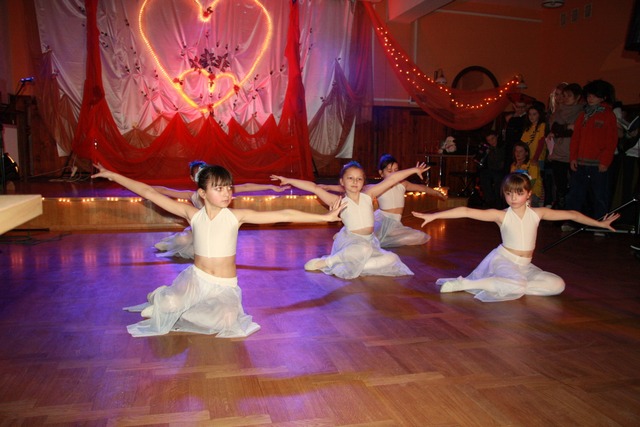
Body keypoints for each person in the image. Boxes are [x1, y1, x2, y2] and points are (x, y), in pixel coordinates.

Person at [91, 163, 344, 337]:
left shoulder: (236, 216)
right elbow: (148, 192)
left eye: (228, 187)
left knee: (227, 319)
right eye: (219, 188)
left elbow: (284, 214)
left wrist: (324, 218)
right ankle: (164, 302)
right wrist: (113, 175)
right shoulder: (192, 214)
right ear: (202, 193)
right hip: (196, 280)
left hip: (224, 286)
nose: (227, 193)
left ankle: (172, 309)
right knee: (171, 300)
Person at [412, 173, 619, 302]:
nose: (513, 198)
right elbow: (466, 211)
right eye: (509, 193)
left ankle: (508, 285)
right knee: (517, 285)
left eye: (518, 193)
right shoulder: (501, 215)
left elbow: (572, 214)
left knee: (557, 285)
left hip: (524, 266)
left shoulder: (537, 213)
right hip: (504, 260)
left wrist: (600, 224)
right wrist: (434, 216)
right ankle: (466, 284)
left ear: (528, 194)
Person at [271, 161, 428, 279]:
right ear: (342, 181)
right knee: (363, 250)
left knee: (392, 258)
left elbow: (392, 179)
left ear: (363, 181)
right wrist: (289, 180)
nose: (355, 182)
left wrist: (414, 170)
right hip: (352, 241)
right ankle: (329, 262)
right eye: (350, 178)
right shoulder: (337, 201)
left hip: (370, 241)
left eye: (359, 179)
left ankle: (351, 265)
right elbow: (314, 188)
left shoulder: (369, 195)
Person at [153, 160, 290, 259]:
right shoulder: (193, 195)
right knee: (183, 241)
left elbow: (246, 186)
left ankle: (180, 246)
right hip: (200, 228)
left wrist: (270, 187)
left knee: (207, 252)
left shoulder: (222, 191)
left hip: (218, 230)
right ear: (192, 178)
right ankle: (171, 244)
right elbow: (164, 190)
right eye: (198, 176)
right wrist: (144, 188)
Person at [320, 154, 447, 248]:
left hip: (395, 222)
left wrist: (437, 193)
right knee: (369, 233)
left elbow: (422, 188)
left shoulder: (403, 184)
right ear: (381, 173)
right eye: (389, 171)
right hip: (381, 219)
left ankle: (371, 241)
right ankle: (348, 236)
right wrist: (327, 187)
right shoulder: (375, 187)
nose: (393, 174)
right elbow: (347, 187)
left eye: (396, 171)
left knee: (420, 237)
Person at [565, 79, 618, 230]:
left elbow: (611, 141)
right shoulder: (583, 115)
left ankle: (601, 225)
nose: (590, 98)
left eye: (594, 95)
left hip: (597, 164)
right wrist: (573, 158)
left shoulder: (608, 115)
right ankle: (571, 222)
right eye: (589, 95)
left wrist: (605, 161)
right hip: (581, 163)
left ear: (603, 97)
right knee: (575, 194)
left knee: (599, 196)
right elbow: (576, 139)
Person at [546, 83, 584, 210]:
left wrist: (562, 130)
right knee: (560, 186)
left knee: (575, 186)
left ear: (577, 97)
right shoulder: (558, 111)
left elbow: (578, 131)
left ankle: (573, 211)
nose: (565, 98)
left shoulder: (581, 112)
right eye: (564, 95)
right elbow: (554, 128)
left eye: (569, 96)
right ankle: (561, 210)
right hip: (558, 153)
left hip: (573, 153)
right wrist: (567, 128)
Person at [520, 101, 547, 206]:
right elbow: (522, 144)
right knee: (527, 181)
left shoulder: (542, 126)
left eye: (534, 114)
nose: (531, 117)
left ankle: (538, 203)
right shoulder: (528, 128)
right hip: (527, 160)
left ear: (539, 115)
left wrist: (535, 157)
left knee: (537, 182)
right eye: (530, 114)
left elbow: (541, 142)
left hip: (537, 159)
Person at [476, 130, 507, 209]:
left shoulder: (503, 147)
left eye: (492, 139)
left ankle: (498, 203)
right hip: (491, 170)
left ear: (497, 137)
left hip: (501, 170)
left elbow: (503, 161)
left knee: (498, 180)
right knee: (483, 176)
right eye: (489, 140)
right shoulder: (487, 148)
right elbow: (482, 161)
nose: (491, 142)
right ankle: (490, 201)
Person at [510, 141, 541, 207]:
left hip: (532, 193)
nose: (518, 153)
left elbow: (532, 182)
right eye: (516, 151)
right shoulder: (513, 165)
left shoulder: (532, 164)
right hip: (519, 192)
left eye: (520, 151)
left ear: (526, 153)